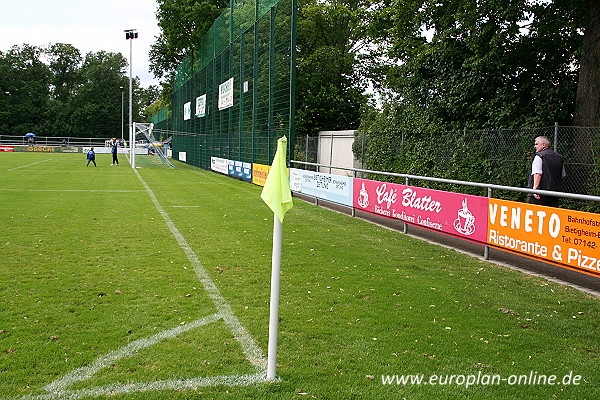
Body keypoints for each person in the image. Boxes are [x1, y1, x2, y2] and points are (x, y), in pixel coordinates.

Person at [527, 136, 566, 207]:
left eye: (536, 144)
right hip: (554, 194)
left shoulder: (539, 156)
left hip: (540, 194)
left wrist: (535, 190)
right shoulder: (560, 157)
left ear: (543, 145)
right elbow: (562, 175)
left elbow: (537, 174)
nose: (534, 146)